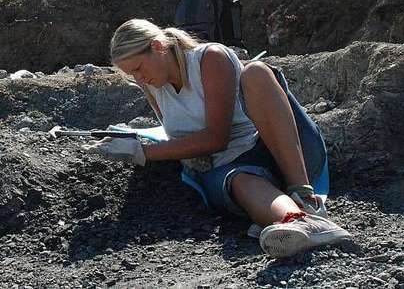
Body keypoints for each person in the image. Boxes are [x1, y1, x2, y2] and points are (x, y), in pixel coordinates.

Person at [84, 19, 351, 258]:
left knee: (256, 72)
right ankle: (302, 222)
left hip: (281, 149)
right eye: (131, 74)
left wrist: (141, 152)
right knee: (239, 181)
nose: (139, 78)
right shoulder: (151, 85)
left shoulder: (209, 59)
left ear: (157, 46)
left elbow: (216, 138)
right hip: (234, 168)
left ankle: (304, 197)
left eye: (139, 68)